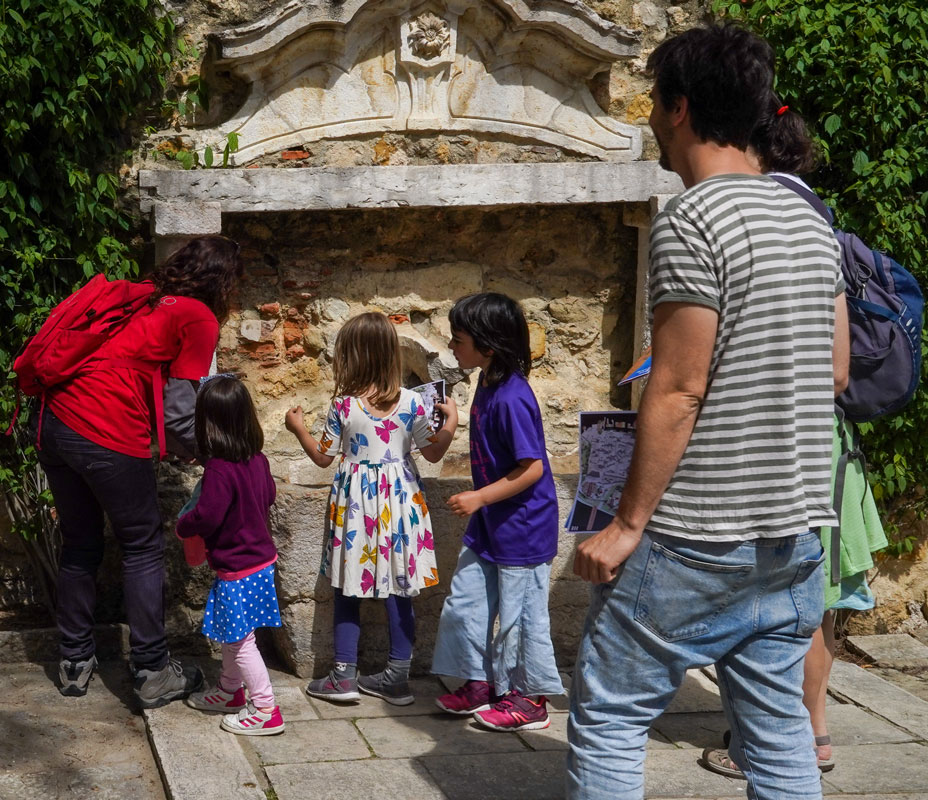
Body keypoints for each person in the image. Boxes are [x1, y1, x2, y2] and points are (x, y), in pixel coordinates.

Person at [566, 23, 848, 800]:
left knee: (612, 716)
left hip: (697, 537)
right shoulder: (809, 218)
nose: (651, 120)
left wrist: (625, 527)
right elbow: (833, 370)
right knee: (781, 732)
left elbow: (681, 388)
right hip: (793, 537)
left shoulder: (694, 219)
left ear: (680, 107)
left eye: (654, 103)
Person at [698, 97, 887, 779]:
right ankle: (812, 733)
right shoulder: (817, 214)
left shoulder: (775, 217)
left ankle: (788, 741)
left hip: (791, 446)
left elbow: (824, 367)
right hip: (831, 448)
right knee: (819, 603)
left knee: (791, 605)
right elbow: (837, 365)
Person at [36, 235, 242, 707]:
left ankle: (73, 662)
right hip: (103, 425)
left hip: (52, 421)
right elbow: (177, 409)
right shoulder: (198, 316)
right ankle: (151, 670)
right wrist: (207, 452)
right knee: (143, 545)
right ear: (223, 282)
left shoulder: (139, 297)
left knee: (80, 542)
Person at [285, 312, 458, 704]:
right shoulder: (414, 402)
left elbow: (323, 458)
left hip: (355, 506)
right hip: (401, 503)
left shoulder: (344, 407)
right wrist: (451, 423)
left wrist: (297, 427)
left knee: (348, 585)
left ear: (352, 358)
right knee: (401, 586)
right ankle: (397, 677)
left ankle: (344, 676)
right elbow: (433, 452)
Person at [431, 292, 564, 732]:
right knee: (464, 604)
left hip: (522, 528)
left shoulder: (512, 397)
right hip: (490, 525)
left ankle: (530, 700)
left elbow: (533, 468)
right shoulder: (486, 382)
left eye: (459, 339)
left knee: (521, 618)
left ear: (488, 346)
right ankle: (479, 683)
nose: (452, 346)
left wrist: (479, 498)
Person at [177, 375, 285, 736]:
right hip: (260, 561)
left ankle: (265, 707)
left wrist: (184, 524)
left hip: (238, 567)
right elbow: (268, 496)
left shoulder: (220, 470)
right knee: (233, 634)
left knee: (240, 641)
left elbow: (207, 516)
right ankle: (229, 691)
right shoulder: (258, 460)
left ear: (207, 423)